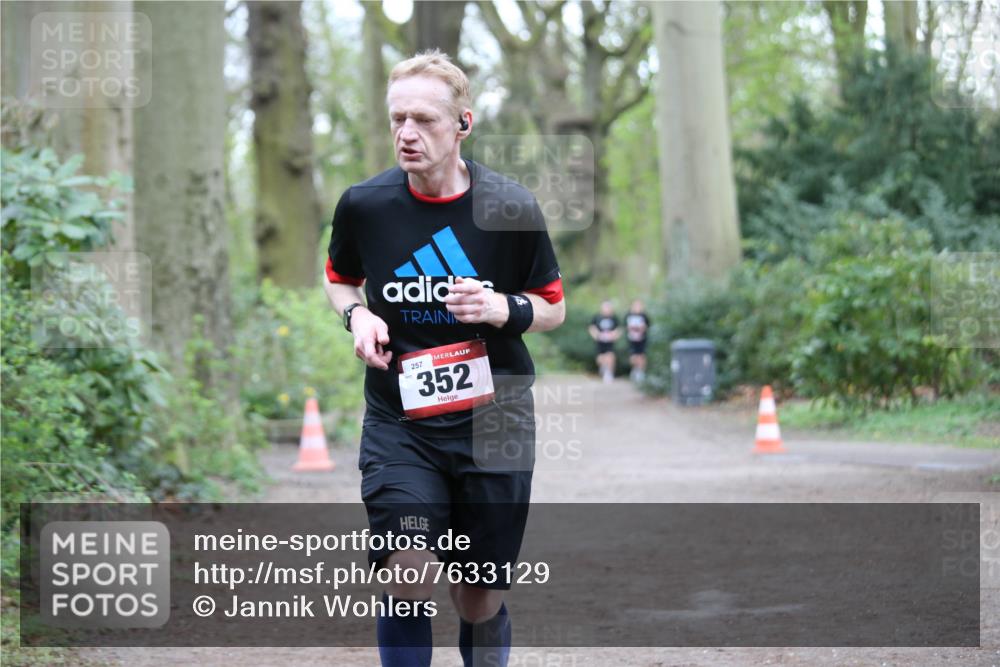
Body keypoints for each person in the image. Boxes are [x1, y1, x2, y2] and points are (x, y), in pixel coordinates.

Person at [322, 50, 565, 667]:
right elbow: (339, 278)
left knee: (478, 592)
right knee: (405, 573)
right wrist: (359, 315)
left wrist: (499, 309)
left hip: (494, 421)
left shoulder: (510, 207)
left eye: (425, 120)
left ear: (463, 123)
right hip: (401, 423)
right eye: (397, 118)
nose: (407, 133)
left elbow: (553, 307)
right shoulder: (365, 205)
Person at [588, 301, 620, 383]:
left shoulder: (614, 318)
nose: (606, 310)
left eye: (608, 308)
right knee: (600, 359)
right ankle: (603, 368)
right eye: (605, 307)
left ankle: (609, 374)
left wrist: (614, 335)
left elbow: (618, 329)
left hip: (610, 343)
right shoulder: (597, 317)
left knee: (610, 357)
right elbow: (592, 327)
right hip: (600, 343)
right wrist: (596, 335)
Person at [625, 299, 650, 382]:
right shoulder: (628, 315)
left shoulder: (644, 316)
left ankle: (641, 372)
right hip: (632, 340)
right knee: (633, 357)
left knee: (641, 356)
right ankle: (635, 369)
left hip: (642, 339)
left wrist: (641, 328)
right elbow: (625, 327)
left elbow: (647, 326)